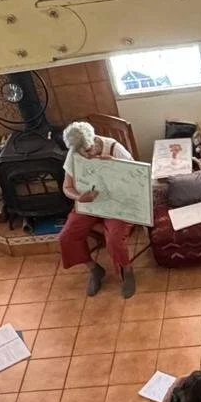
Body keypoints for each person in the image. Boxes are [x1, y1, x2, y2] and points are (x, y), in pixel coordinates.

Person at [58, 120, 139, 299]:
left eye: (88, 150)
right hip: (89, 203)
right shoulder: (74, 153)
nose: (86, 155)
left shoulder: (114, 149)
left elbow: (137, 178)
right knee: (67, 236)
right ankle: (94, 269)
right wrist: (79, 197)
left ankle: (127, 270)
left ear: (94, 140)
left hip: (117, 203)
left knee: (115, 239)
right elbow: (67, 187)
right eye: (80, 153)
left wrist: (115, 164)